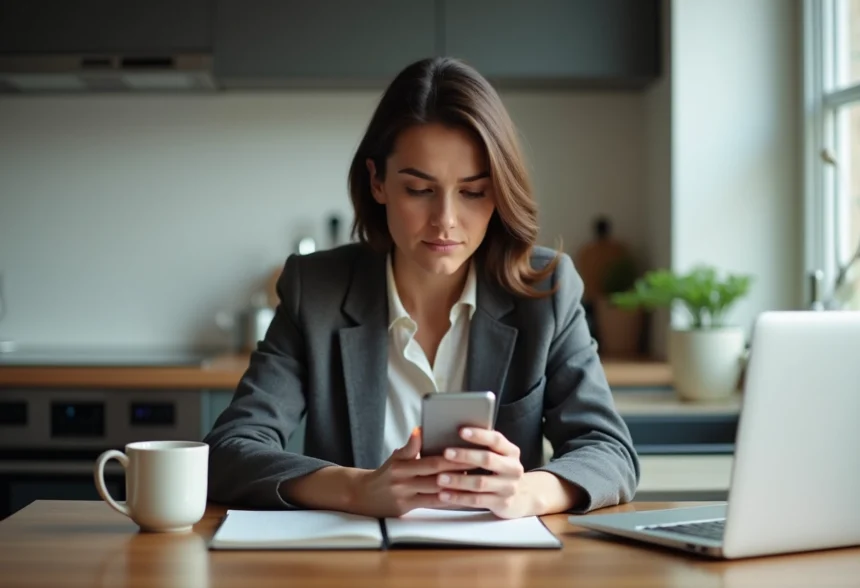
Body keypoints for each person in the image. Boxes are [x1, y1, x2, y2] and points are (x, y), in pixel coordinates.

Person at [204, 57, 639, 519]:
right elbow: (229, 450)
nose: (445, 220)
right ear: (377, 182)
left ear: (498, 192)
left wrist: (528, 492)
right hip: (352, 555)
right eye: (419, 189)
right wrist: (356, 490)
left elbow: (610, 453)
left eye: (473, 192)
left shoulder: (547, 289)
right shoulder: (315, 292)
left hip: (500, 557)